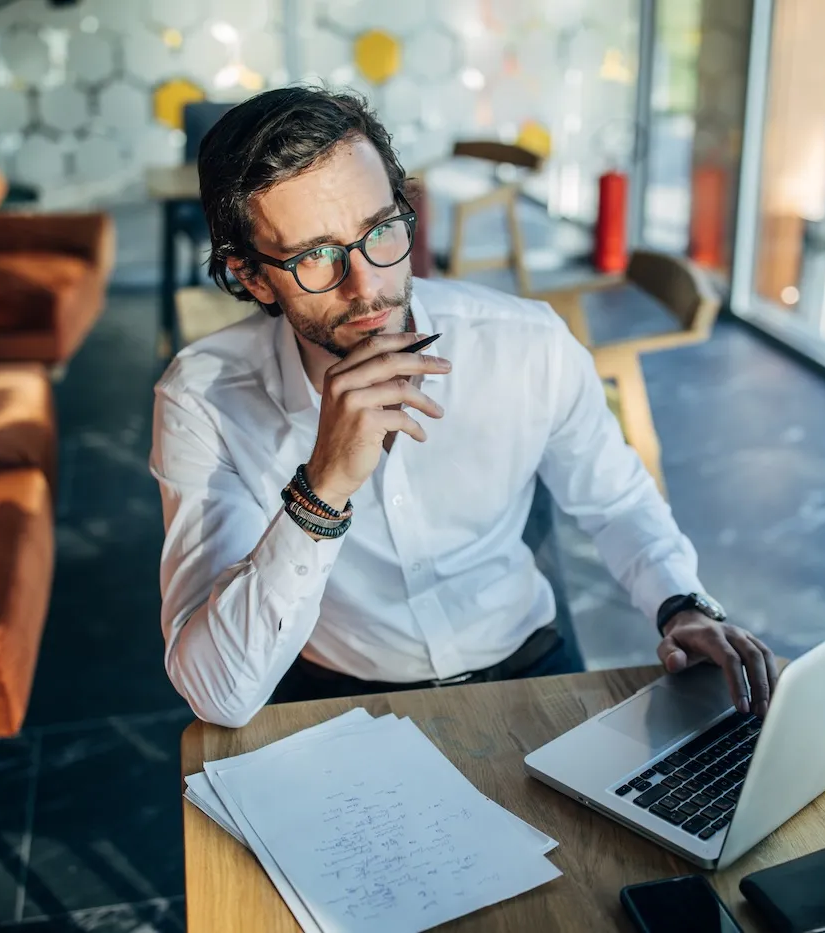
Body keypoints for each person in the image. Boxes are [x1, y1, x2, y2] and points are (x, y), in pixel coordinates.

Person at [150, 87, 778, 728]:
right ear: (252, 277)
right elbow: (219, 694)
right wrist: (322, 490)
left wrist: (684, 605)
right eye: (315, 256)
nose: (368, 286)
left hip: (531, 669)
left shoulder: (526, 345)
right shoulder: (203, 399)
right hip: (339, 697)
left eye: (379, 231)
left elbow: (616, 502)